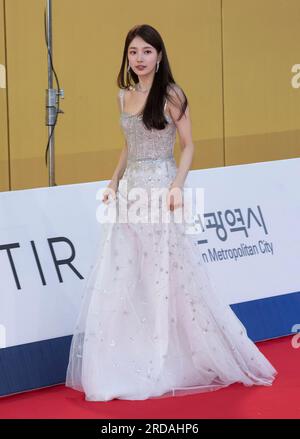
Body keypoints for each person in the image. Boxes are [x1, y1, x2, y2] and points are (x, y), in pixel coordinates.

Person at [65, 24, 277, 401]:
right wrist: (113, 181)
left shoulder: (172, 94)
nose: (140, 58)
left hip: (162, 191)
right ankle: (125, 359)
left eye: (147, 51)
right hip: (130, 193)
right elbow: (129, 147)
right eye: (133, 52)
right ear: (126, 58)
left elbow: (189, 145)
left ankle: (168, 354)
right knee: (126, 271)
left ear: (159, 56)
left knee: (165, 273)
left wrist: (177, 184)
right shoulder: (123, 96)